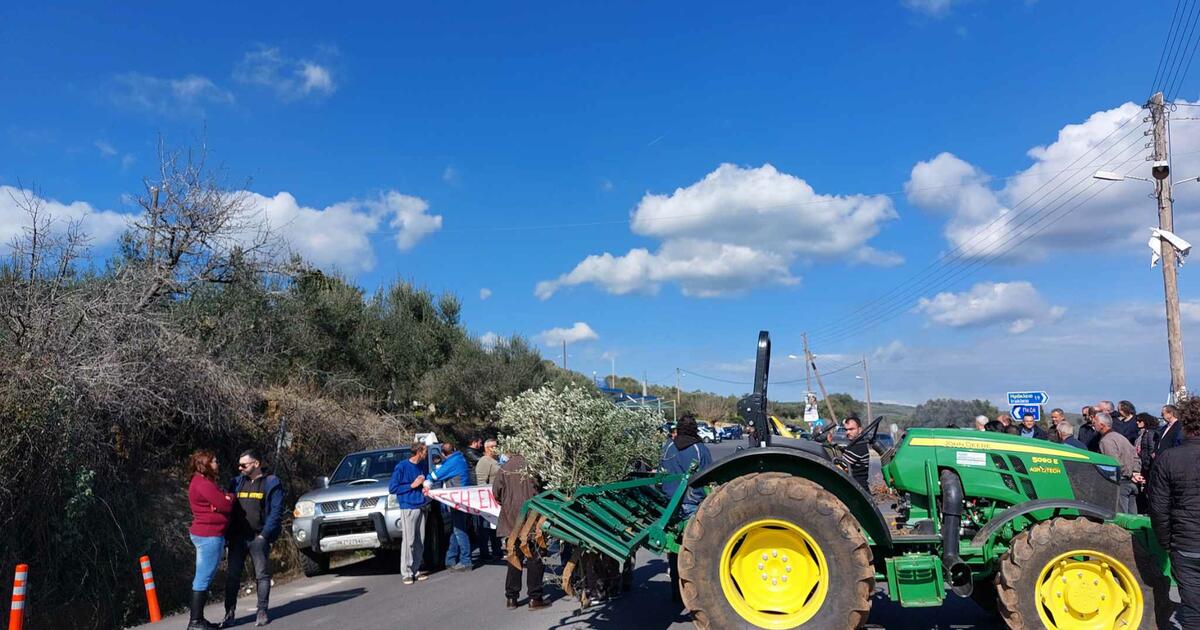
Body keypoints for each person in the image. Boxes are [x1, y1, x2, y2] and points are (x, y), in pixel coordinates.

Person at [1149, 397, 1200, 626]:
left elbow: (1158, 507)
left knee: (1191, 608)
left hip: (1185, 543)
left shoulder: (1168, 458)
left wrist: (1166, 541)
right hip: (1185, 540)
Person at [222, 449, 285, 628]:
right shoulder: (236, 482)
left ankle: (262, 611)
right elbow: (228, 508)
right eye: (239, 465)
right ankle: (229, 613)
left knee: (262, 575)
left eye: (244, 464)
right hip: (237, 538)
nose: (240, 468)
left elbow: (276, 511)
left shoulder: (271, 482)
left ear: (256, 464)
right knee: (232, 576)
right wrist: (226, 535)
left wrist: (265, 535)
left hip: (258, 537)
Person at [659, 415, 714, 606]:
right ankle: (694, 594)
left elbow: (662, 473)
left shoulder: (667, 447)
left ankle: (676, 592)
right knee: (695, 550)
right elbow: (710, 476)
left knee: (674, 551)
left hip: (669, 505)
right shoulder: (700, 449)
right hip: (692, 505)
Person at [493, 452, 548, 610]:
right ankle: (535, 597)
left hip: (511, 519)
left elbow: (496, 492)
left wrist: (507, 504)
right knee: (535, 556)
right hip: (533, 516)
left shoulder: (505, 468)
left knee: (514, 555)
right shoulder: (536, 466)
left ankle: (511, 597)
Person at [187, 450, 234, 630]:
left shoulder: (202, 482)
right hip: (209, 535)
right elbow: (225, 505)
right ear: (203, 464)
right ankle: (195, 621)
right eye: (214, 461)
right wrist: (229, 498)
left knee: (203, 577)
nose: (217, 464)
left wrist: (221, 502)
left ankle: (198, 620)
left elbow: (219, 504)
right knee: (203, 578)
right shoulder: (203, 484)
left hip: (206, 534)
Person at [427, 441, 471, 571]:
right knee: (456, 528)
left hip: (456, 500)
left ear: (443, 453)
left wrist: (427, 480)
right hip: (460, 498)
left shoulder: (452, 462)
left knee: (459, 530)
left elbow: (435, 476)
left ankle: (466, 561)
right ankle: (450, 559)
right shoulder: (459, 458)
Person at [389, 442, 429, 585]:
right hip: (408, 507)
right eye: (425, 451)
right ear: (418, 452)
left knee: (420, 540)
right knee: (409, 540)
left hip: (422, 505)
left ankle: (415, 569)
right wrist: (412, 485)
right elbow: (393, 488)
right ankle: (406, 572)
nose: (426, 454)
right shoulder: (402, 467)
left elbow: (426, 478)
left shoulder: (422, 465)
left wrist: (426, 486)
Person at [1095, 412, 1141, 514]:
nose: (1093, 425)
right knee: (1133, 519)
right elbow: (1136, 456)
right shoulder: (1121, 438)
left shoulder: (1106, 441)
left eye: (1095, 423)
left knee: (1121, 521)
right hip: (1131, 484)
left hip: (1120, 485)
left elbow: (1112, 464)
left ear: (1102, 425)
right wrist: (1135, 472)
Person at [474, 439, 503, 561]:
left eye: (496, 446)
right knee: (485, 527)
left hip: (496, 500)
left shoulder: (494, 461)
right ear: (486, 448)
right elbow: (481, 482)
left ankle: (497, 551)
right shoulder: (484, 462)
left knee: (494, 526)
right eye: (492, 447)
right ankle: (485, 553)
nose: (495, 449)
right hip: (487, 501)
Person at [1134, 413, 1159, 515]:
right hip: (1143, 464)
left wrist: (1147, 465)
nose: (1137, 423)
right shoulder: (1142, 433)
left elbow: (1151, 451)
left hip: (1147, 466)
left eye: (1139, 421)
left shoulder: (1149, 433)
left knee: (1148, 491)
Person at [841, 415, 871, 491]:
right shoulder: (855, 444)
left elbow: (840, 467)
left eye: (851, 429)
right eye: (846, 430)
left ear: (860, 429)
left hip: (857, 488)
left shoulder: (858, 447)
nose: (848, 432)